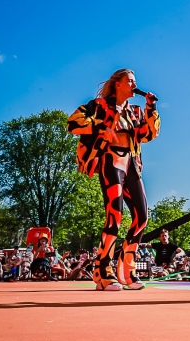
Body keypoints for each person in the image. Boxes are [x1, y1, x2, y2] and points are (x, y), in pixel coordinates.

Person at [68, 68, 161, 291]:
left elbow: (149, 134)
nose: (134, 84)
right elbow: (73, 123)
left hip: (131, 164)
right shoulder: (99, 106)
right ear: (117, 84)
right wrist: (101, 128)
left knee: (142, 217)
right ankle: (103, 270)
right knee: (115, 218)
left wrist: (151, 108)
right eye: (129, 81)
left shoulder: (136, 111)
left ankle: (127, 269)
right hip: (111, 162)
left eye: (135, 81)